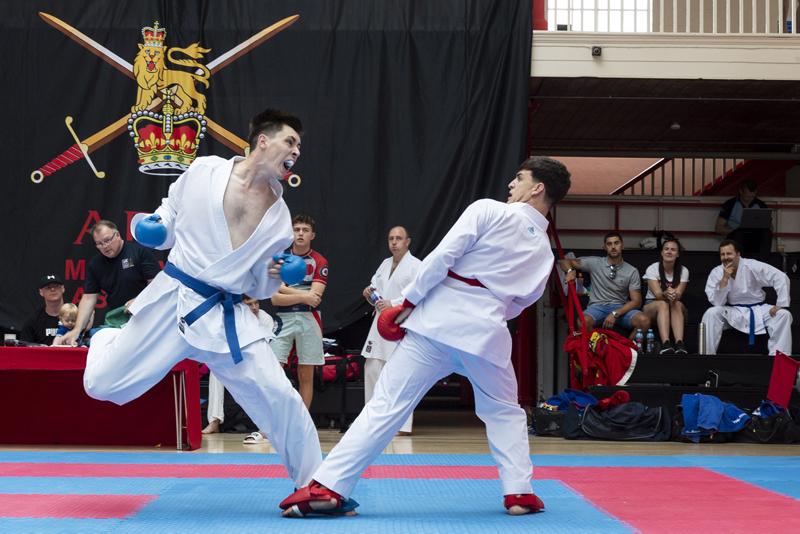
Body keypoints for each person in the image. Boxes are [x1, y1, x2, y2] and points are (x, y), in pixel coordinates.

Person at [279, 156, 572, 518]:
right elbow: (520, 304)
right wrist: (487, 311)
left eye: (519, 178)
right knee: (505, 413)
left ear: (537, 188)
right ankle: (519, 494)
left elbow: (441, 258)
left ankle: (328, 488)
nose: (511, 185)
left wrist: (407, 305)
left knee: (387, 406)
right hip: (487, 333)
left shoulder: (489, 210)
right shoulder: (544, 251)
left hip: (435, 323)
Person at [75, 109, 326, 494]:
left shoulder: (279, 218)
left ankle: (316, 483)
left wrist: (272, 274)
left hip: (227, 318)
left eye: (299, 147)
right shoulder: (206, 171)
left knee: (278, 396)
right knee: (103, 384)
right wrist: (154, 228)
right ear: (264, 140)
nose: (295, 151)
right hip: (175, 300)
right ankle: (107, 341)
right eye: (290, 141)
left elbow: (257, 288)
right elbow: (170, 216)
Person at [56, 220, 161, 346]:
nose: (104, 246)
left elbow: (158, 284)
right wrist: (77, 330)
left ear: (117, 235)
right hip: (119, 321)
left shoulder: (139, 252)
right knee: (97, 339)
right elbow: (88, 299)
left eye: (107, 240)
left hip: (147, 317)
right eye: (99, 244)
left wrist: (139, 299)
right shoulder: (95, 264)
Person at [361, 226, 421, 436]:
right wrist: (370, 293)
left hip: (401, 323)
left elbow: (418, 295)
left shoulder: (416, 266)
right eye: (391, 239)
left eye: (398, 238)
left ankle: (401, 425)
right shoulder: (385, 264)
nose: (394, 242)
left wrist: (392, 303)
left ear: (408, 241)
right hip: (379, 324)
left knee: (399, 375)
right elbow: (376, 290)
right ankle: (371, 421)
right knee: (371, 369)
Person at [270, 215, 328, 409]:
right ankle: (272, 423)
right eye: (296, 230)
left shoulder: (320, 261)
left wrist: (285, 289)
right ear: (290, 233)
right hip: (283, 317)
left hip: (309, 319)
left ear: (312, 235)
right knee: (274, 372)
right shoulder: (278, 260)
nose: (300, 233)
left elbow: (316, 297)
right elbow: (274, 299)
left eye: (304, 230)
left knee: (305, 374)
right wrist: (304, 296)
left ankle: (302, 425)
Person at [702, 239, 792, 356]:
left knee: (784, 315)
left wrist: (781, 303)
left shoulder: (752, 266)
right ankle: (707, 356)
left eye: (729, 253)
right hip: (733, 311)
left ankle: (779, 358)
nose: (726, 257)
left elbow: (780, 277)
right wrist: (724, 279)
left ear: (738, 255)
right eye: (722, 254)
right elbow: (718, 303)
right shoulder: (717, 272)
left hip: (758, 309)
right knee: (711, 313)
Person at [204, 295, 275, 436]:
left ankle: (267, 424)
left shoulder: (265, 318)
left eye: (256, 303)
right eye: (249, 304)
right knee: (216, 371)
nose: (254, 307)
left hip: (257, 362)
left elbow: (262, 350)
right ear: (241, 305)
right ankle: (214, 420)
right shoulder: (231, 317)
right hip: (234, 359)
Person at [559, 233, 650, 338]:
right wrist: (571, 270)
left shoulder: (631, 270)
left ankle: (627, 350)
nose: (613, 247)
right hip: (597, 307)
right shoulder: (595, 263)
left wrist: (615, 313)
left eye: (616, 243)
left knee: (645, 321)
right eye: (609, 244)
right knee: (583, 322)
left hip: (620, 308)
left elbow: (637, 302)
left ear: (622, 245)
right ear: (605, 247)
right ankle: (597, 348)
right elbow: (564, 261)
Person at [641, 238, 689, 354]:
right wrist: (665, 294)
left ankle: (679, 344)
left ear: (677, 254)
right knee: (663, 303)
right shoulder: (653, 268)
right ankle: (666, 344)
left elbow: (678, 295)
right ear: (662, 252)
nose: (669, 252)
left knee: (676, 303)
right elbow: (658, 295)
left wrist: (673, 295)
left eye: (673, 250)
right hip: (652, 305)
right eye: (666, 249)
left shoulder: (683, 270)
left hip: (673, 305)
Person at [714, 180, 772, 260]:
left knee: (767, 233)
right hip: (736, 236)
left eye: (752, 196)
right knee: (738, 234)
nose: (750, 199)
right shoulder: (730, 204)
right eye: (747, 196)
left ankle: (763, 265)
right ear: (741, 192)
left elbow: (770, 227)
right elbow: (718, 228)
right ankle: (739, 266)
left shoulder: (760, 204)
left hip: (755, 236)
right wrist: (734, 230)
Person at [20, 274, 66, 345]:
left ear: (62, 288)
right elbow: (24, 350)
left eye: (56, 286)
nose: (53, 289)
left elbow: (87, 341)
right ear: (41, 292)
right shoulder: (33, 321)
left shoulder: (75, 315)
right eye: (48, 287)